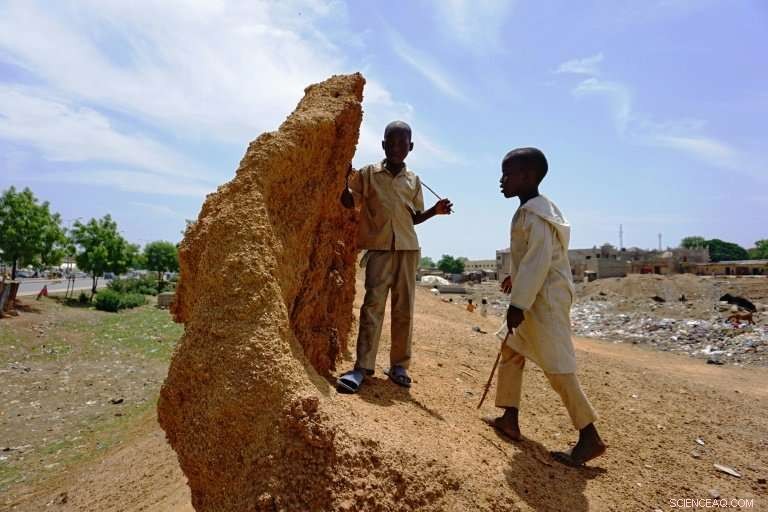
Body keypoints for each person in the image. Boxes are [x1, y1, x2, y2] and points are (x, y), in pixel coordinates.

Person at [483, 147, 606, 467]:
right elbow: (531, 260)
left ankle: (589, 436)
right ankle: (509, 417)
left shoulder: (536, 216)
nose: (501, 180)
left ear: (527, 177)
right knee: (511, 348)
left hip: (545, 300)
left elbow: (538, 264)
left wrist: (518, 304)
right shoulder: (530, 211)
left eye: (507, 174)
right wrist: (514, 279)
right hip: (534, 295)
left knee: (558, 367)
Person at [336, 121, 453, 393]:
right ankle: (362, 367)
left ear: (410, 147)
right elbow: (349, 202)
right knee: (372, 307)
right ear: (383, 145)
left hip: (408, 250)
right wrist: (341, 178)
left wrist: (434, 211)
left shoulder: (414, 180)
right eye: (392, 142)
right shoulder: (368, 174)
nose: (397, 148)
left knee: (404, 310)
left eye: (403, 143)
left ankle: (399, 365)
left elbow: (413, 218)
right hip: (378, 249)